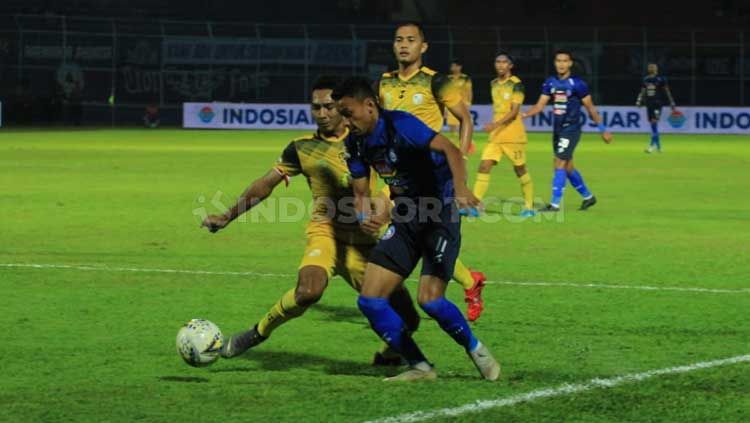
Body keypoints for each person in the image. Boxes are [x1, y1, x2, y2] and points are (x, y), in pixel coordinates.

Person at [201, 76, 420, 365]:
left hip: (366, 241)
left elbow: (402, 183)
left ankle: (390, 354)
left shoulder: (369, 139)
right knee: (308, 291)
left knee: (409, 318)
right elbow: (265, 185)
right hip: (326, 234)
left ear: (342, 108)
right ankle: (256, 334)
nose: (322, 113)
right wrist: (228, 215)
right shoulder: (301, 148)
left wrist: (385, 208)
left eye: (328, 106)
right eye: (316, 107)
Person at [334, 77, 501, 382]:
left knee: (430, 299)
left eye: (348, 112)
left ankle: (477, 350)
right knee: (369, 299)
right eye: (341, 114)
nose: (345, 121)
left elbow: (450, 150)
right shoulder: (355, 143)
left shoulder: (401, 125)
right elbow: (360, 194)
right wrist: (364, 216)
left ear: (369, 106)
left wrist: (461, 187)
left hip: (440, 211)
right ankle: (420, 367)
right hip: (406, 216)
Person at [379, 22, 487, 321]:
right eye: (399, 39)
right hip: (395, 174)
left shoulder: (435, 81)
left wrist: (459, 165)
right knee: (407, 233)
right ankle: (469, 280)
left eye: (411, 40)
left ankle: (389, 301)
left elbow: (464, 120)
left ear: (423, 47)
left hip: (428, 177)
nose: (404, 45)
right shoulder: (384, 83)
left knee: (395, 230)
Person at [522, 49, 613, 212]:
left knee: (559, 162)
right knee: (567, 165)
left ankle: (554, 204)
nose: (561, 64)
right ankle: (588, 197)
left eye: (565, 61)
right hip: (557, 130)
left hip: (571, 129)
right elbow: (539, 106)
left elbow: (590, 108)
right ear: (555, 63)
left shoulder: (578, 84)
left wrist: (603, 129)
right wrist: (524, 115)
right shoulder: (550, 83)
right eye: (558, 61)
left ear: (570, 63)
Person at [475, 51, 536, 217]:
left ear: (510, 65)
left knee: (520, 169)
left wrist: (494, 124)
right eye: (498, 62)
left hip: (513, 136)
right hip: (496, 137)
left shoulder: (517, 84)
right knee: (484, 165)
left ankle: (529, 207)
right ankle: (475, 205)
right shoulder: (494, 83)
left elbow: (514, 112)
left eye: (504, 62)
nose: (500, 65)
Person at [636, 63, 676, 153]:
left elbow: (667, 91)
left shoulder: (661, 79)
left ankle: (651, 146)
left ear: (656, 69)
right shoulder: (645, 79)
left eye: (653, 67)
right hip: (649, 104)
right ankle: (658, 147)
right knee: (653, 125)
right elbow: (642, 91)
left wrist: (671, 102)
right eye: (650, 67)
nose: (651, 69)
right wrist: (639, 100)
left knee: (654, 123)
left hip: (657, 104)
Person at [445, 58, 473, 135]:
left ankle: (462, 143)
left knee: (461, 125)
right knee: (451, 127)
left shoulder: (465, 78)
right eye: (452, 66)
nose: (453, 68)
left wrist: (469, 103)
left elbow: (469, 92)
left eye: (455, 66)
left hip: (462, 105)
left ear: (460, 67)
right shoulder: (448, 78)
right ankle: (453, 143)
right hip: (451, 105)